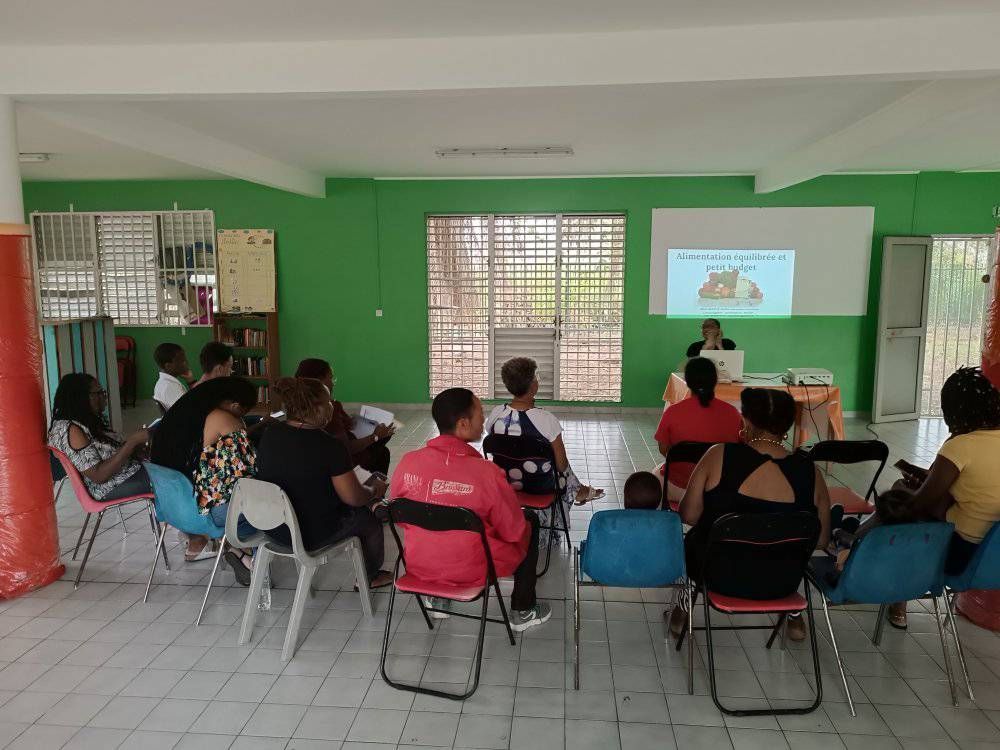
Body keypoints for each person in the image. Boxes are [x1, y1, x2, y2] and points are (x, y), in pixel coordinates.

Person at [671, 388, 831, 641]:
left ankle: (682, 608)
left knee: (687, 542)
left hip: (717, 575)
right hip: (782, 581)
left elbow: (688, 516)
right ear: (788, 425)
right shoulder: (811, 473)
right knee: (790, 546)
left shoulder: (718, 455)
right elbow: (821, 541)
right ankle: (793, 615)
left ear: (745, 420)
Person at [390, 387, 550, 632]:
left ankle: (437, 597)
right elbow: (514, 531)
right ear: (463, 424)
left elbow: (401, 518)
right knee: (529, 522)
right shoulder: (487, 473)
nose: (484, 420)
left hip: (419, 565)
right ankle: (523, 610)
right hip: (474, 566)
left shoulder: (408, 462)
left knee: (433, 525)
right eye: (480, 414)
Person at [881, 366, 1000, 629]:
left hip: (962, 554)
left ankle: (892, 593)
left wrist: (901, 495)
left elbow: (919, 504)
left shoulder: (960, 446)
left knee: (902, 500)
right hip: (994, 555)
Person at [255, 377, 392, 588]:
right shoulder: (329, 446)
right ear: (315, 408)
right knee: (369, 522)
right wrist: (374, 490)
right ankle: (370, 577)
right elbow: (353, 498)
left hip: (273, 527)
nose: (332, 405)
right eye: (328, 401)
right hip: (310, 533)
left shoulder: (271, 433)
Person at [149, 376, 258, 578]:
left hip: (178, 510)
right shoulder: (223, 419)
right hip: (209, 514)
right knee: (273, 504)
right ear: (234, 405)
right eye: (244, 411)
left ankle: (238, 552)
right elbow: (246, 473)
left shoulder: (183, 416)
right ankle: (252, 562)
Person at [486, 357, 603, 505]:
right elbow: (561, 466)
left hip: (506, 483)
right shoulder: (547, 420)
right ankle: (578, 490)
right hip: (543, 487)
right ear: (533, 387)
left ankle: (579, 490)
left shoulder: (496, 414)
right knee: (562, 466)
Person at [48, 373, 151, 501]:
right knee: (174, 477)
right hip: (110, 487)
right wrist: (132, 441)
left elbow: (105, 452)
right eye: (99, 392)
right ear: (82, 397)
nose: (104, 396)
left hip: (124, 474)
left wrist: (134, 446)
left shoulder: (78, 422)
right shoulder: (72, 430)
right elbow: (99, 475)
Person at [655, 356, 742, 505]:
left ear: (687, 382)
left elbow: (664, 450)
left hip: (678, 487)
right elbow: (738, 449)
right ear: (715, 381)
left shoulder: (673, 412)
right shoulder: (733, 413)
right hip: (719, 488)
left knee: (655, 474)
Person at [294, 358, 394, 474]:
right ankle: (375, 487)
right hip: (346, 464)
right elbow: (345, 449)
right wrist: (375, 436)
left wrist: (347, 421)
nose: (332, 383)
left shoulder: (295, 408)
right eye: (330, 378)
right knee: (383, 447)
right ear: (319, 381)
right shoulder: (329, 410)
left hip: (313, 463)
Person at [153, 342, 192, 412]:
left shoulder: (164, 383)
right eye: (182, 361)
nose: (186, 363)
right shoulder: (170, 387)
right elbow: (187, 412)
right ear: (168, 366)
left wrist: (190, 381)